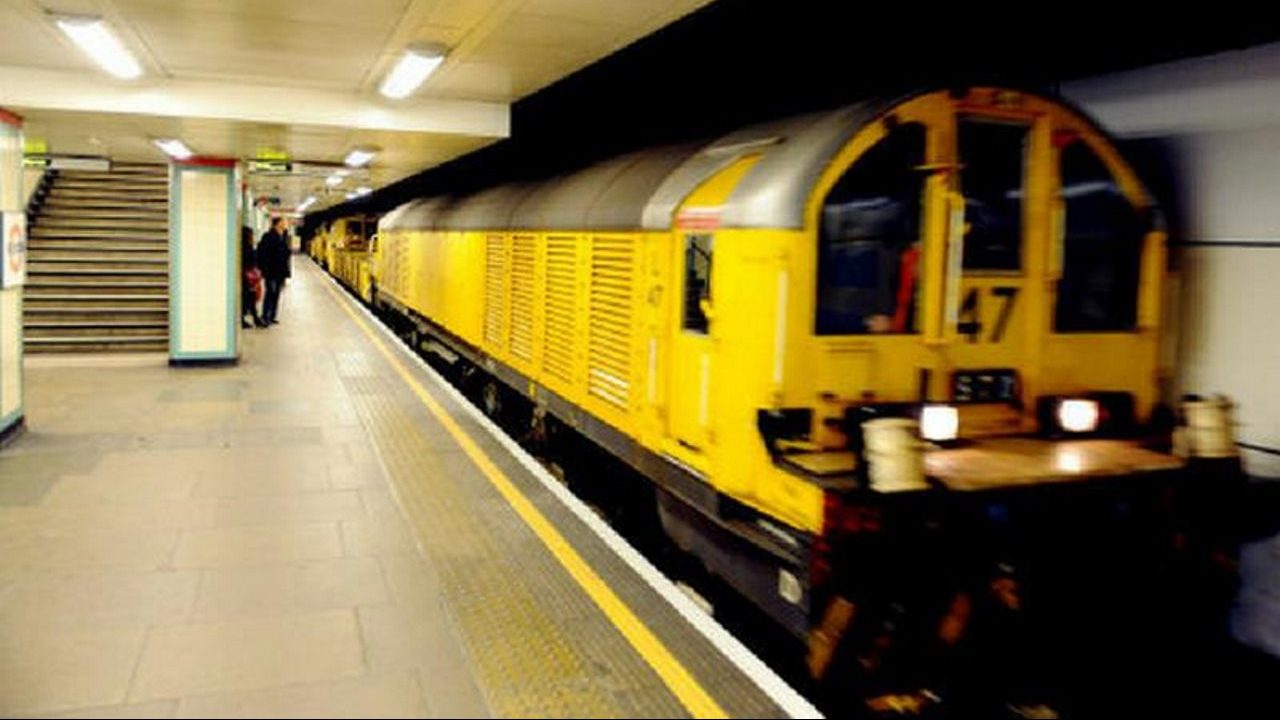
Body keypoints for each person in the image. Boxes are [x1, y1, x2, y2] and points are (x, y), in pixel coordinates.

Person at [258, 216, 293, 325]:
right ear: (277, 224)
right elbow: (263, 254)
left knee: (276, 294)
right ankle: (265, 316)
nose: (285, 223)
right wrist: (264, 270)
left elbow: (286, 253)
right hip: (271, 271)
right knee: (270, 293)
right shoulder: (268, 236)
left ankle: (272, 316)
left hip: (280, 271)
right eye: (283, 222)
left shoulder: (283, 236)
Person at [240, 227, 266, 328]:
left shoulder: (242, 247)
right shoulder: (248, 248)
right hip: (248, 277)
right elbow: (252, 261)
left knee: (249, 298)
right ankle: (254, 319)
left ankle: (253, 319)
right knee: (250, 298)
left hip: (246, 276)